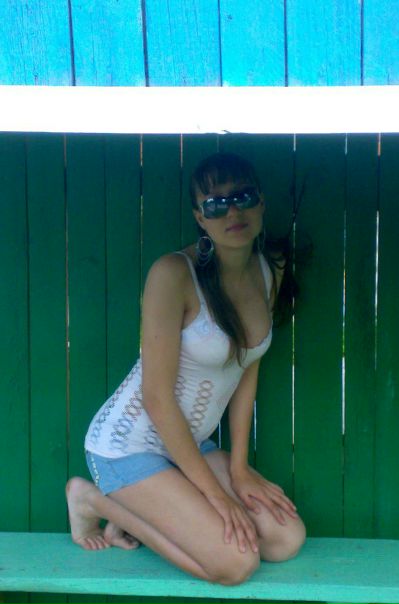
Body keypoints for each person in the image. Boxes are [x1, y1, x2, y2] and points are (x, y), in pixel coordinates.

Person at [66, 152, 306, 586]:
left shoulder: (269, 268)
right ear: (199, 217)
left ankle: (153, 502)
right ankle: (93, 501)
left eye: (243, 197)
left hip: (189, 446)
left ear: (261, 202)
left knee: (284, 540)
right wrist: (217, 496)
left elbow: (247, 365)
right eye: (215, 204)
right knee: (236, 564)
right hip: (127, 446)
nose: (232, 212)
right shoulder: (173, 274)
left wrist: (238, 469)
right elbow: (157, 398)